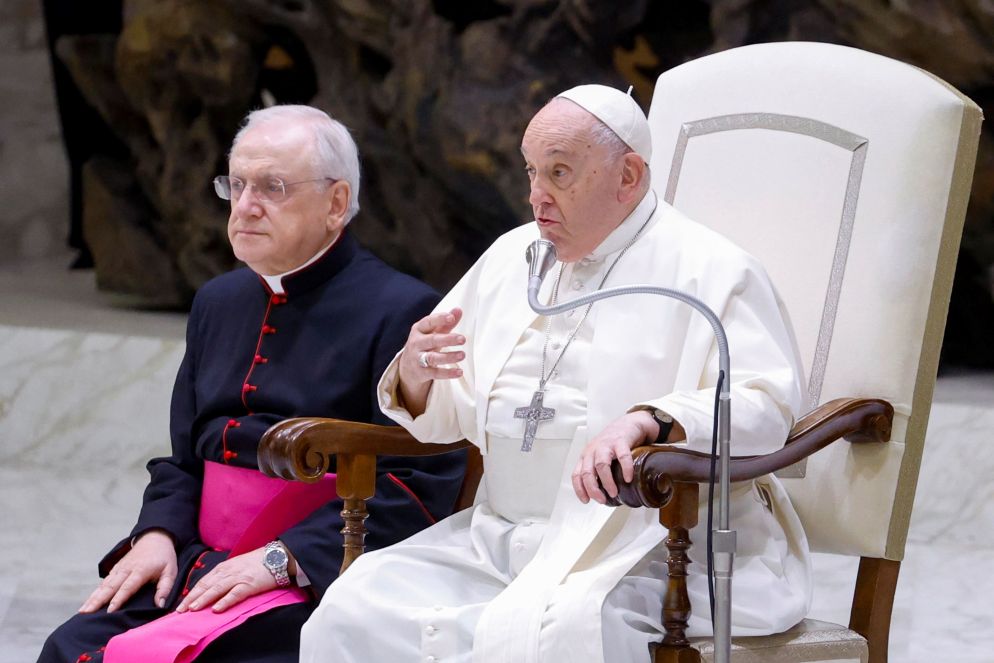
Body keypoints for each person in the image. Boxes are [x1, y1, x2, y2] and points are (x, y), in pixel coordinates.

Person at [301, 85, 811, 662]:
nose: (536, 197)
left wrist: (653, 420)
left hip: (640, 550)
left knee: (558, 639)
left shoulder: (710, 272)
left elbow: (764, 404)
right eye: (531, 172)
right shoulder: (513, 257)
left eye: (559, 173)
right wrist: (418, 373)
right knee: (349, 611)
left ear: (628, 177)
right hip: (497, 541)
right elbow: (451, 410)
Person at [39, 105, 466, 663]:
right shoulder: (217, 302)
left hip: (314, 573)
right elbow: (184, 458)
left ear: (337, 204)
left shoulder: (402, 311)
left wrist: (282, 557)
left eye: (273, 187)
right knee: (70, 646)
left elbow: (417, 482)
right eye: (236, 185)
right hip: (197, 559)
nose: (244, 207)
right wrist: (157, 534)